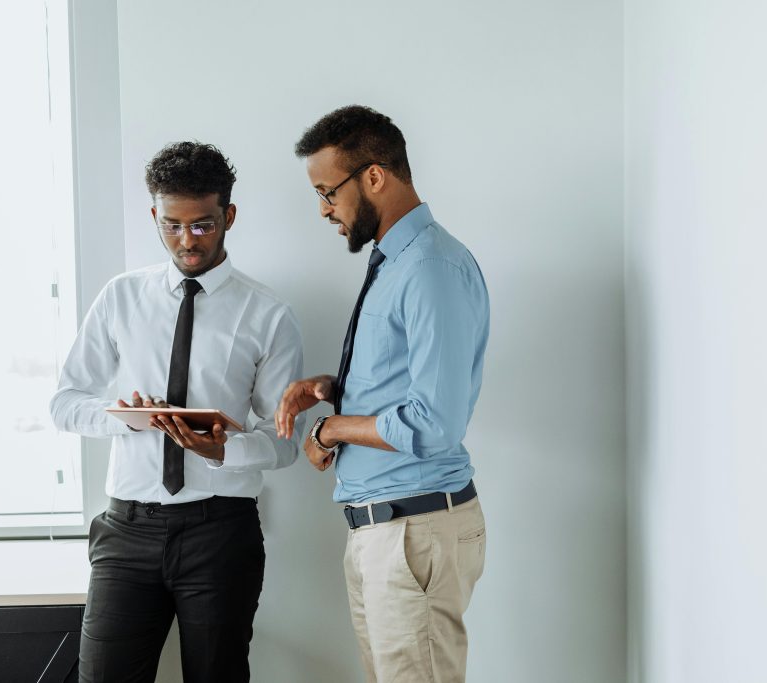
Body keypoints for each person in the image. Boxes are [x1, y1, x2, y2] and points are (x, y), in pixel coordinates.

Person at [50, 141, 304, 682]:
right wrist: (120, 415)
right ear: (155, 216)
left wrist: (225, 449)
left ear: (228, 216)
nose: (186, 241)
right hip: (126, 529)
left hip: (221, 532)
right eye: (171, 226)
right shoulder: (121, 296)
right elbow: (65, 403)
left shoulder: (269, 314)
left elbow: (284, 442)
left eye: (203, 225)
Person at [275, 105, 489, 682]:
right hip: (386, 532)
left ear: (374, 176)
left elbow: (434, 420)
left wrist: (331, 429)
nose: (323, 209)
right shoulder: (395, 262)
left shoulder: (430, 268)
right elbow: (404, 381)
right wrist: (333, 390)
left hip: (412, 535)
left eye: (327, 192)